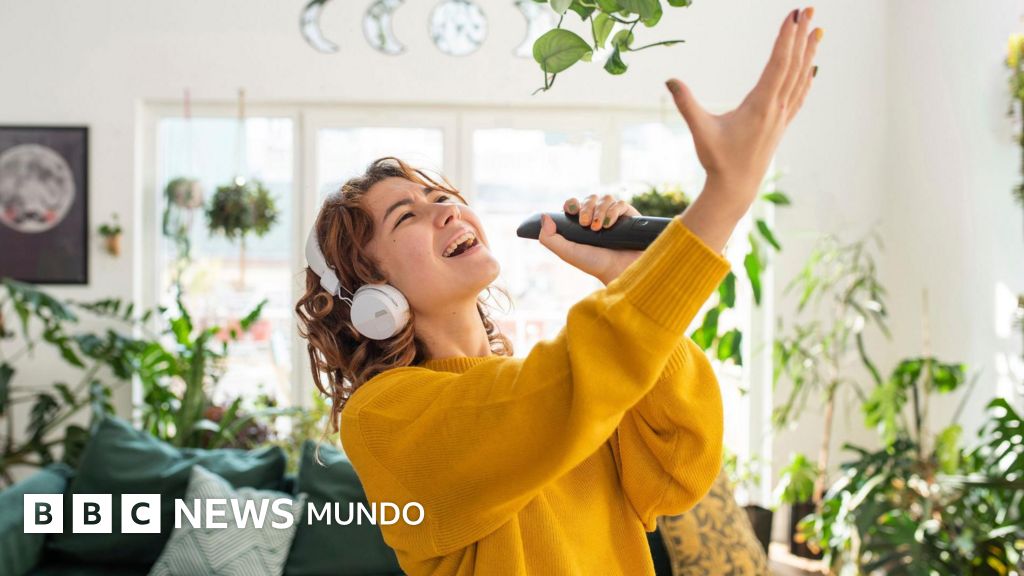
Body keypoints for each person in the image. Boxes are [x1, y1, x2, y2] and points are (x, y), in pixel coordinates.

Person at [294, 7, 822, 574]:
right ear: (371, 292)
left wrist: (627, 279)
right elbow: (555, 393)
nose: (444, 212)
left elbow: (680, 471)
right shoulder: (383, 419)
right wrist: (725, 197)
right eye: (406, 217)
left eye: (441, 197)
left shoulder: (559, 392)